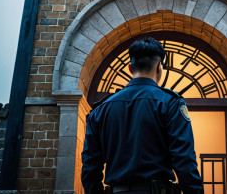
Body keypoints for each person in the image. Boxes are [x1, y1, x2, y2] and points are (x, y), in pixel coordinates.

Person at [81, 37, 204, 194]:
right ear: (159, 67)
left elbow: (90, 168)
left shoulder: (100, 110)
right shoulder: (170, 102)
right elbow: (184, 160)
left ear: (130, 68)